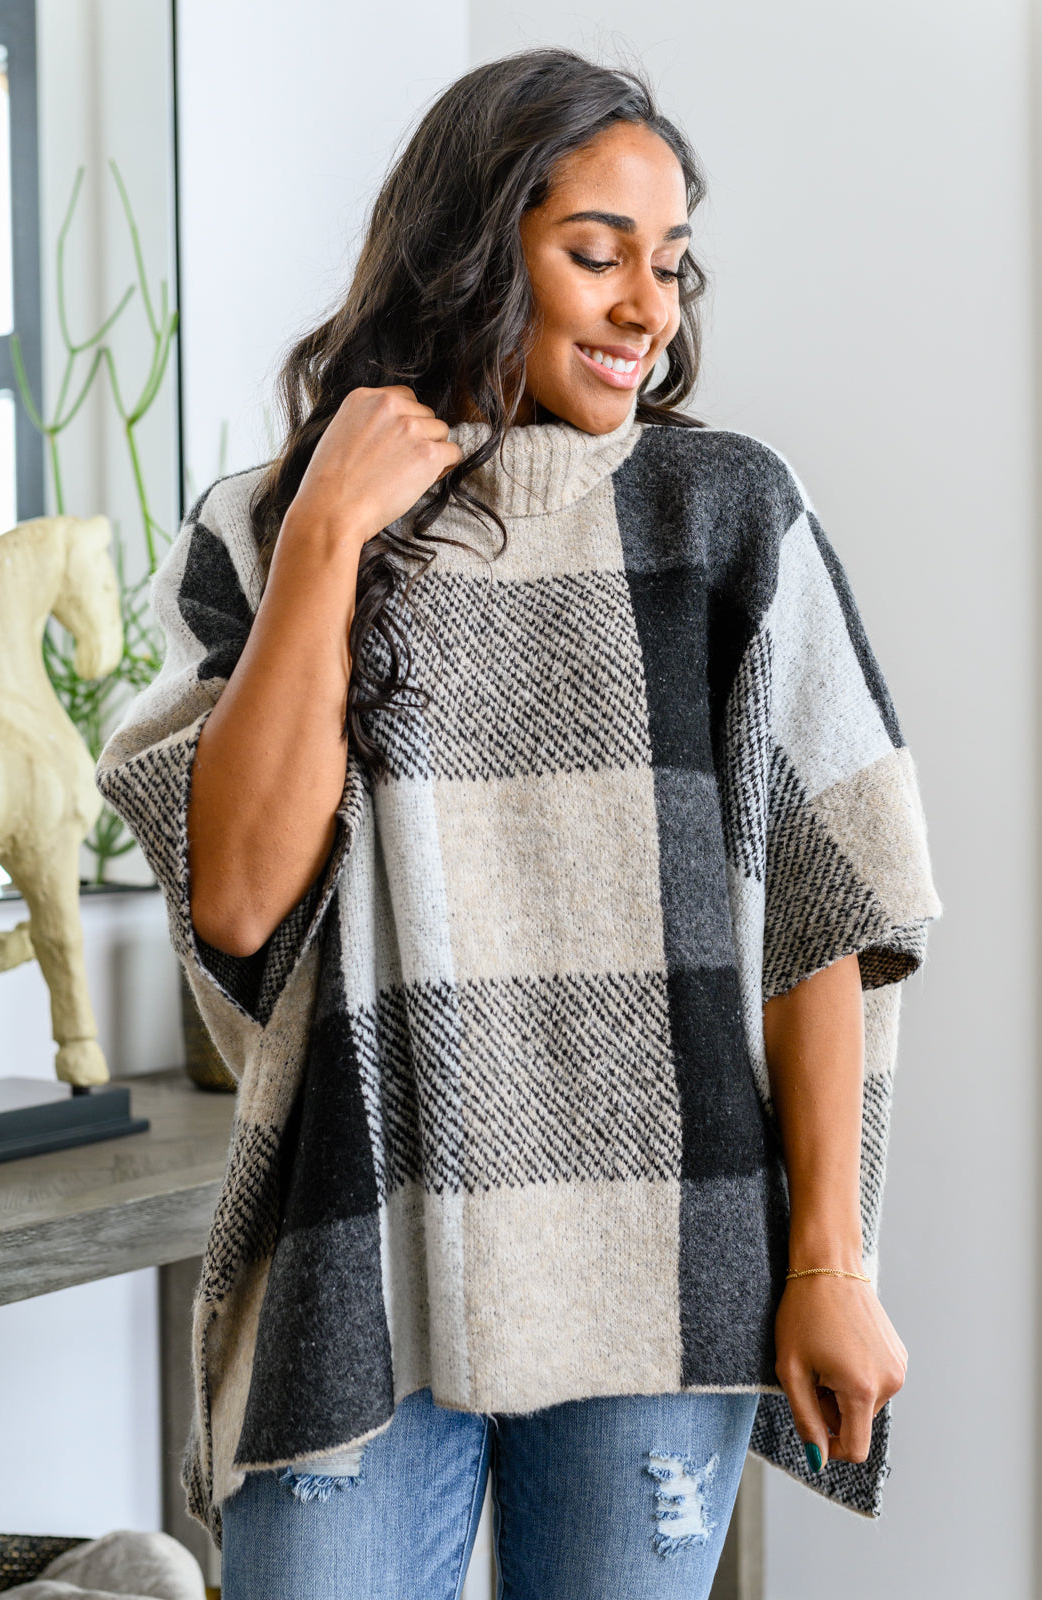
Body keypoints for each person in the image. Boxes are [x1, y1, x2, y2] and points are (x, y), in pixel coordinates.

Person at [96, 45, 942, 1600]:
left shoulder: (726, 515)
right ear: (472, 250)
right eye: (596, 255)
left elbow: (823, 909)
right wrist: (330, 531)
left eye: (668, 265)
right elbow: (239, 899)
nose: (646, 310)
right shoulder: (264, 529)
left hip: (662, 1254)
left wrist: (829, 1262)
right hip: (360, 1246)